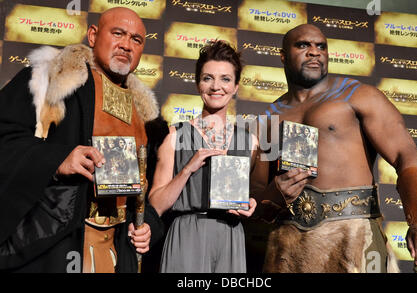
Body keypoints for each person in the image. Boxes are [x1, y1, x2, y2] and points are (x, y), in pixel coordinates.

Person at [251, 24, 417, 273]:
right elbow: (255, 194)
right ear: (283, 56)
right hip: (289, 245)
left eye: (321, 46)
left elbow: (407, 158)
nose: (314, 52)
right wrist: (274, 194)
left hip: (353, 236)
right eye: (303, 45)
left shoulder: (358, 96)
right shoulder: (268, 118)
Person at [0, 7, 164, 273]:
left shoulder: (146, 117)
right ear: (92, 35)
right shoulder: (49, 79)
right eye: (118, 33)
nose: (126, 45)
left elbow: (149, 190)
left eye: (136, 39)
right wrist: (58, 159)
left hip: (116, 250)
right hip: (56, 246)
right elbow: (5, 137)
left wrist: (147, 226)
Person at [149, 40, 258, 273]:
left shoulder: (250, 142)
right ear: (198, 84)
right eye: (208, 78)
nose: (216, 86)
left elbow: (257, 199)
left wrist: (252, 204)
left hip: (232, 236)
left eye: (225, 79)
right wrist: (188, 168)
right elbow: (155, 204)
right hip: (188, 234)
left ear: (236, 86)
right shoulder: (174, 136)